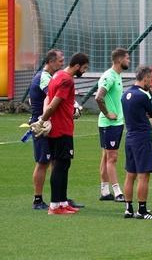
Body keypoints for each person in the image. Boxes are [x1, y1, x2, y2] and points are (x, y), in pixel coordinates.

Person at [39, 52, 90, 215]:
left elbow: (48, 98)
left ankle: (61, 202)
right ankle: (54, 206)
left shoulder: (58, 75)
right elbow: (53, 103)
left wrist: (48, 117)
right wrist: (42, 120)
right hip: (62, 129)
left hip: (58, 127)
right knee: (60, 166)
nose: (84, 71)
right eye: (84, 68)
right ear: (76, 66)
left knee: (63, 165)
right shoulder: (67, 80)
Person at [120, 65, 152, 220]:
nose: (151, 82)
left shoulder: (126, 94)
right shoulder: (143, 96)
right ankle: (142, 210)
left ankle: (128, 208)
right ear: (145, 78)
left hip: (130, 137)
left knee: (130, 174)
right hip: (142, 137)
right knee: (143, 175)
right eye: (150, 78)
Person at [27, 49, 64, 210]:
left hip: (48, 123)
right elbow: (52, 96)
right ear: (50, 62)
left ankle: (59, 196)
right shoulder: (44, 77)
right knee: (43, 162)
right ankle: (37, 199)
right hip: (41, 125)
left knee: (56, 161)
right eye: (60, 60)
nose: (62, 63)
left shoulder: (49, 77)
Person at [96, 48, 130, 202]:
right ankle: (117, 191)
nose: (129, 61)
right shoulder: (109, 76)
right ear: (119, 60)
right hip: (110, 124)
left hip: (115, 123)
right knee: (112, 157)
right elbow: (99, 97)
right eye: (127, 58)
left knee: (106, 156)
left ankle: (104, 191)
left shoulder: (116, 75)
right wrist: (107, 113)